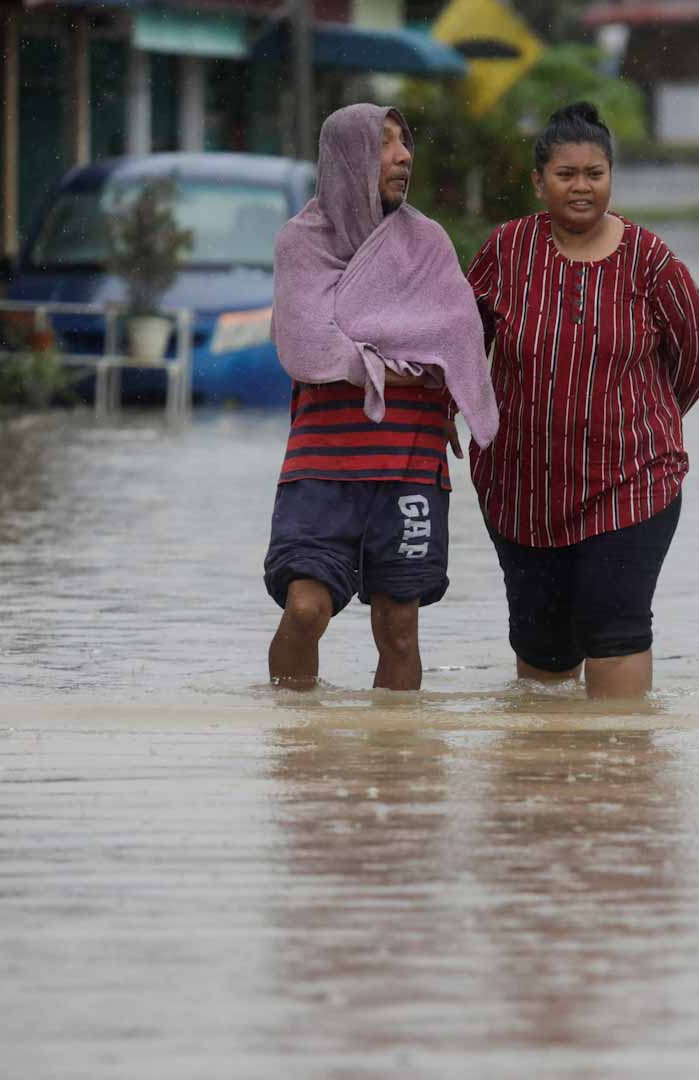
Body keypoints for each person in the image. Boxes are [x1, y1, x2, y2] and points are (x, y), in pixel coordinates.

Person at [465, 102, 699, 700]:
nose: (581, 187)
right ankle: (556, 783)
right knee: (543, 654)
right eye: (566, 174)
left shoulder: (649, 258)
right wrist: (456, 410)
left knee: (615, 629)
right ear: (538, 181)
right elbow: (460, 342)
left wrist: (648, 417)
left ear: (610, 176)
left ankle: (624, 781)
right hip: (521, 486)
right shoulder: (505, 251)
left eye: (595, 173)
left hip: (630, 482)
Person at [264, 103, 499, 691]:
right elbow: (307, 346)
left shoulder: (428, 244)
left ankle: (396, 768)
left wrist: (412, 374)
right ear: (347, 160)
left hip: (408, 460)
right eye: (385, 145)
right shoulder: (301, 244)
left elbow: (456, 341)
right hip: (322, 463)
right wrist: (402, 368)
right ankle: (295, 750)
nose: (403, 157)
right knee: (305, 610)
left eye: (405, 143)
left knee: (398, 629)